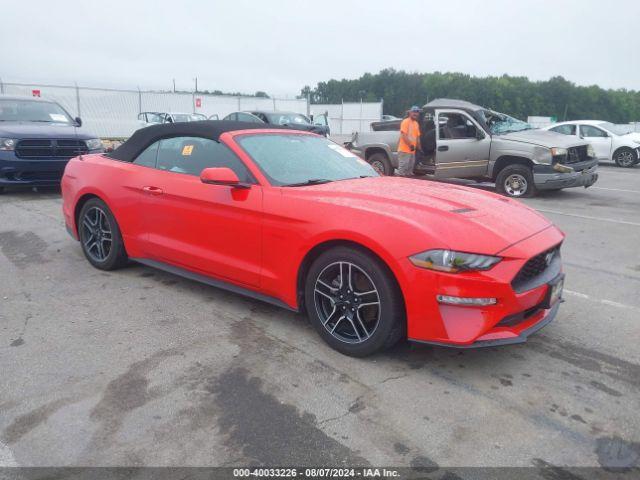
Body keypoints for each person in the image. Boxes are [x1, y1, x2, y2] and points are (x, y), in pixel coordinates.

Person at [397, 106, 421, 176]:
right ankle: (399, 184)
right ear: (410, 112)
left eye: (417, 112)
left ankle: (408, 185)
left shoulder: (416, 124)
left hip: (412, 151)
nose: (415, 114)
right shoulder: (405, 122)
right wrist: (410, 145)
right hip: (404, 150)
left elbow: (417, 137)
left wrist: (419, 148)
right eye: (414, 112)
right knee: (402, 170)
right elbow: (403, 135)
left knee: (409, 171)